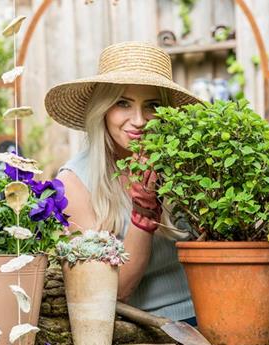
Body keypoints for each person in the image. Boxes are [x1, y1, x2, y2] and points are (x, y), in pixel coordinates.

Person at [44, 41, 201, 324]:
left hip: (204, 316)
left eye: (152, 105)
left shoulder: (186, 165)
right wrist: (144, 214)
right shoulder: (74, 183)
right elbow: (114, 294)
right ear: (102, 109)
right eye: (123, 103)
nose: (139, 120)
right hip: (136, 329)